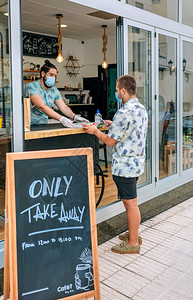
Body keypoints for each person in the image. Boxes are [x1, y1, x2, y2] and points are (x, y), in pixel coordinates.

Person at [83, 75, 148, 254]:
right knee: (131, 202)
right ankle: (133, 234)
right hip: (136, 163)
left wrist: (95, 131)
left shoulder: (123, 112)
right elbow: (132, 129)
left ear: (124, 91)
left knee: (130, 204)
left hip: (125, 166)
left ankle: (133, 243)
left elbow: (110, 141)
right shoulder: (141, 108)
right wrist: (113, 124)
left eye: (117, 89)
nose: (115, 92)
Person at [25, 60, 89, 127]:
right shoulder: (31, 87)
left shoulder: (54, 89)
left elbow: (63, 107)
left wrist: (74, 117)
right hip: (29, 125)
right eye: (51, 75)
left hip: (43, 124)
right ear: (43, 74)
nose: (53, 78)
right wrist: (61, 118)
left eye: (55, 76)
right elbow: (41, 106)